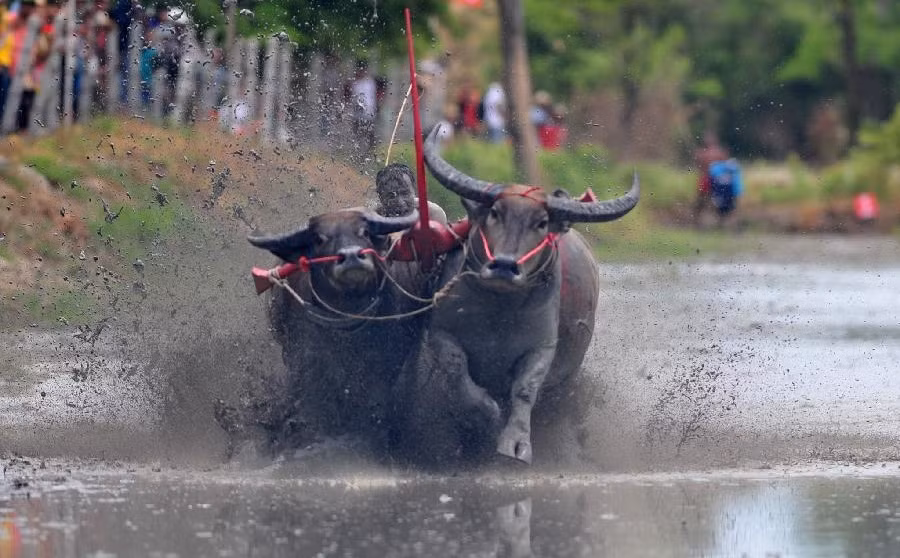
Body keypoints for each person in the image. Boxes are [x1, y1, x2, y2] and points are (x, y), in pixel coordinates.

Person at [692, 130, 729, 225]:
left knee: (718, 200)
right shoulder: (702, 152)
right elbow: (698, 165)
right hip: (705, 179)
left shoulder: (719, 152)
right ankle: (697, 220)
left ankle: (721, 221)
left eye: (710, 139)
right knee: (701, 200)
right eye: (707, 139)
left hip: (716, 180)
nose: (708, 141)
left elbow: (725, 165)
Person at [348, 59, 377, 153]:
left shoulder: (369, 82)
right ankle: (358, 152)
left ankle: (368, 153)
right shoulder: (355, 83)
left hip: (368, 113)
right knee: (358, 134)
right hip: (358, 114)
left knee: (369, 135)